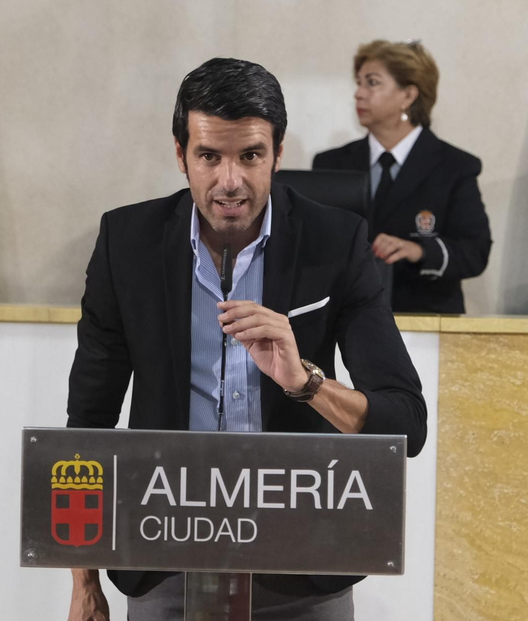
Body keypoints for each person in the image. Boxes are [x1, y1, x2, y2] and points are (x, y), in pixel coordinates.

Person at [65, 57, 426, 621]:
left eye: (251, 156)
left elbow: (406, 425)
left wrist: (306, 382)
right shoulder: (125, 243)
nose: (230, 181)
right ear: (180, 154)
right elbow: (86, 430)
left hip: (307, 568)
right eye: (209, 156)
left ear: (279, 155)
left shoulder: (337, 242)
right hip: (164, 561)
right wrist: (84, 583)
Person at [313, 40, 491, 315]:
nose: (358, 94)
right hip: (344, 321)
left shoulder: (455, 167)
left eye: (372, 83)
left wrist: (420, 250)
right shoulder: (331, 165)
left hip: (425, 322)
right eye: (358, 82)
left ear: (408, 95)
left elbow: (475, 252)